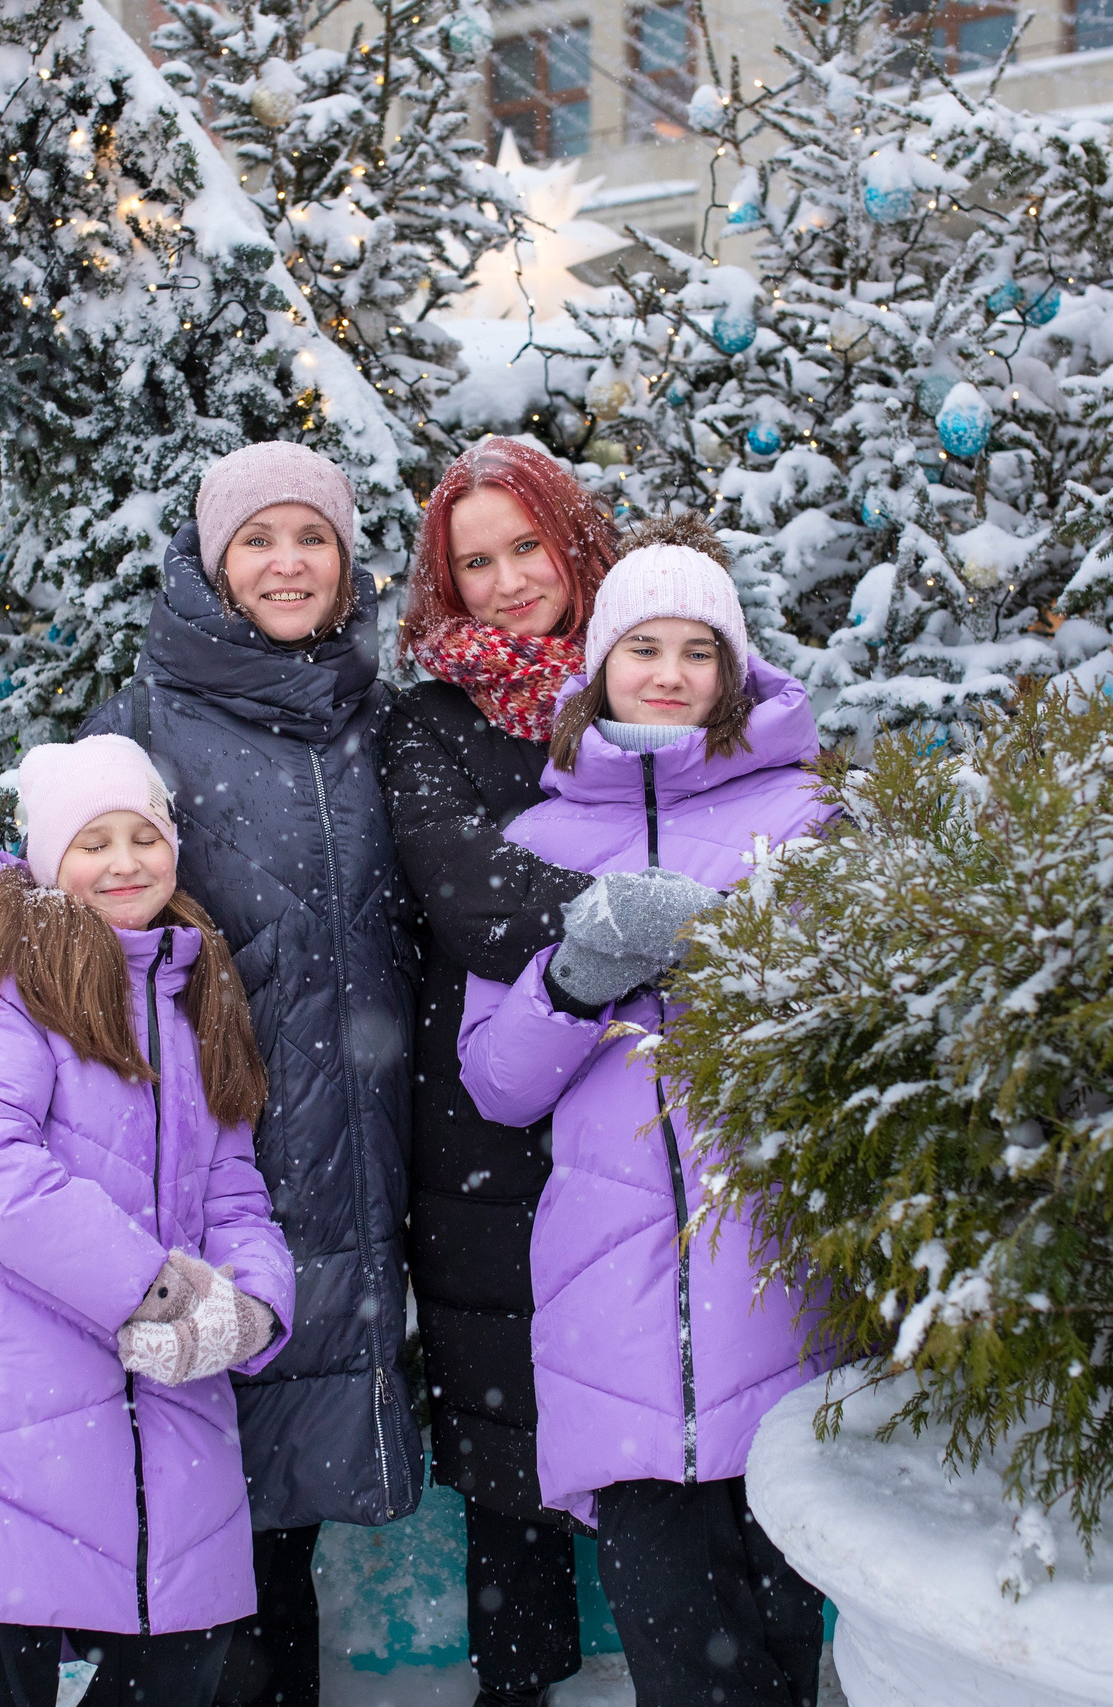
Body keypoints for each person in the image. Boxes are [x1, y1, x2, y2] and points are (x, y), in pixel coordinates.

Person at [0, 734, 295, 1707]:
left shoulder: (195, 984)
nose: (124, 863)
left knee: (183, 1658)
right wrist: (150, 1288)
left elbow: (236, 1187)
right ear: (45, 859)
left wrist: (249, 1312)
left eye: (142, 837)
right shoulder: (12, 979)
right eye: (92, 842)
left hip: (161, 1411)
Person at [457, 527, 840, 1707]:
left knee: (782, 1655)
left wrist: (736, 957)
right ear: (599, 667)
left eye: (696, 651)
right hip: (611, 1314)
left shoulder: (810, 817)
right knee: (683, 1664)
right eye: (641, 648)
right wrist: (576, 974)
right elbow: (496, 1083)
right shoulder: (536, 842)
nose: (668, 674)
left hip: (778, 1293)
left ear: (734, 674)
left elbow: (852, 1033)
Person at [83, 442, 419, 1707]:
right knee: (206, 1502)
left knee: (291, 1499)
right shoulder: (149, 722)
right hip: (216, 1162)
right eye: (259, 538)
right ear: (214, 562)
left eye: (313, 538)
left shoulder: (379, 719)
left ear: (346, 562)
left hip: (363, 1156)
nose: (288, 562)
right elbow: (79, 929)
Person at [382, 438, 621, 1706]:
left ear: (572, 538)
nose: (509, 581)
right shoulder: (428, 723)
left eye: (525, 545)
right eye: (476, 562)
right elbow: (467, 899)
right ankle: (520, 1682)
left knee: (658, 1416)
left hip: (641, 1101)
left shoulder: (661, 676)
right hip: (479, 1121)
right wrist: (647, 908)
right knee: (505, 1435)